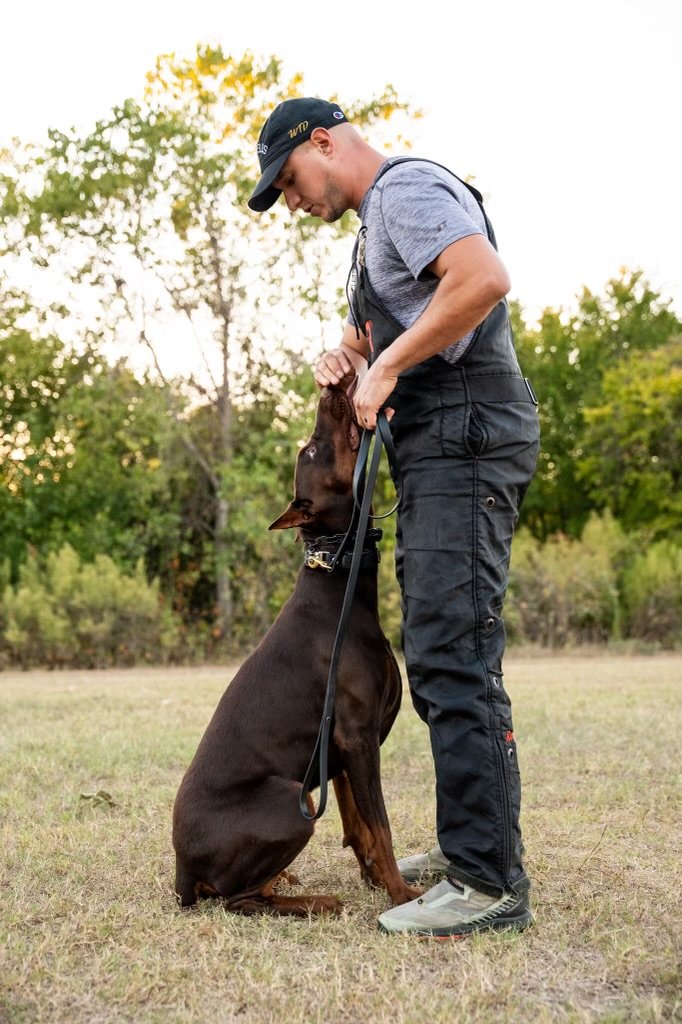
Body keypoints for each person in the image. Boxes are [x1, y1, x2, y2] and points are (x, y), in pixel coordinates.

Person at [248, 98, 540, 937]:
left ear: (324, 143)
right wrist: (351, 355)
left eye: (290, 181)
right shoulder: (372, 228)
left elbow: (482, 280)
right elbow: (385, 327)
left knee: (454, 654)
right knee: (441, 650)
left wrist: (387, 372)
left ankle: (489, 883)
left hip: (467, 437)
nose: (293, 202)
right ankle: (468, 850)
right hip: (441, 446)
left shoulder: (406, 191)